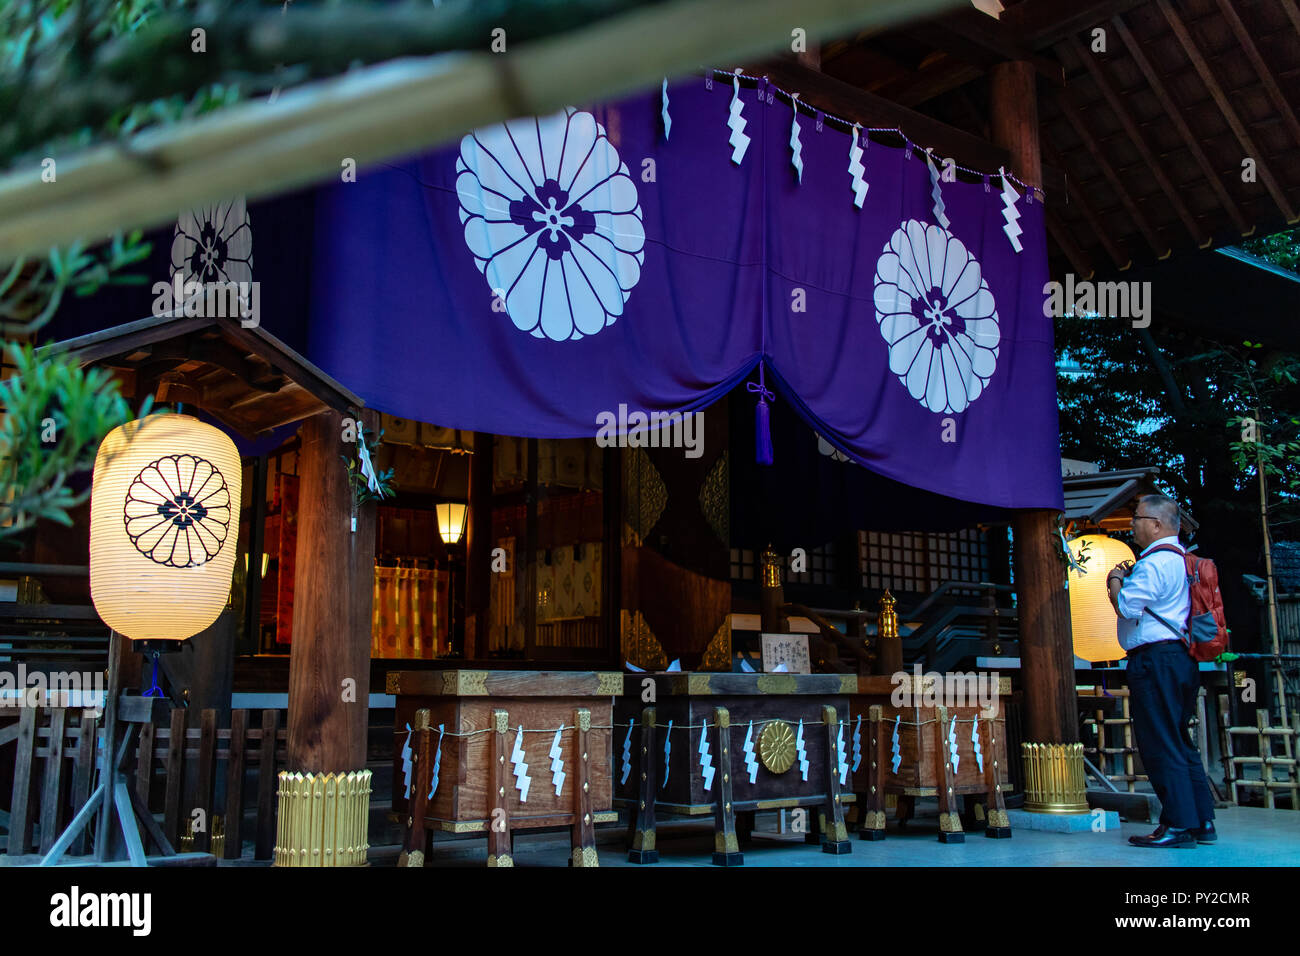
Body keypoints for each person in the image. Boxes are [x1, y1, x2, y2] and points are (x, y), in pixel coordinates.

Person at [1106, 493, 1217, 849]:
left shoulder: (1154, 563)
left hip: (1156, 659)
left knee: (1159, 744)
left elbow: (1126, 607)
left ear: (1155, 524)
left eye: (1137, 518)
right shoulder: (1184, 561)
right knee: (1179, 740)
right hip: (1181, 658)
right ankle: (1201, 821)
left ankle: (1177, 825)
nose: (1132, 524)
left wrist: (1113, 580)